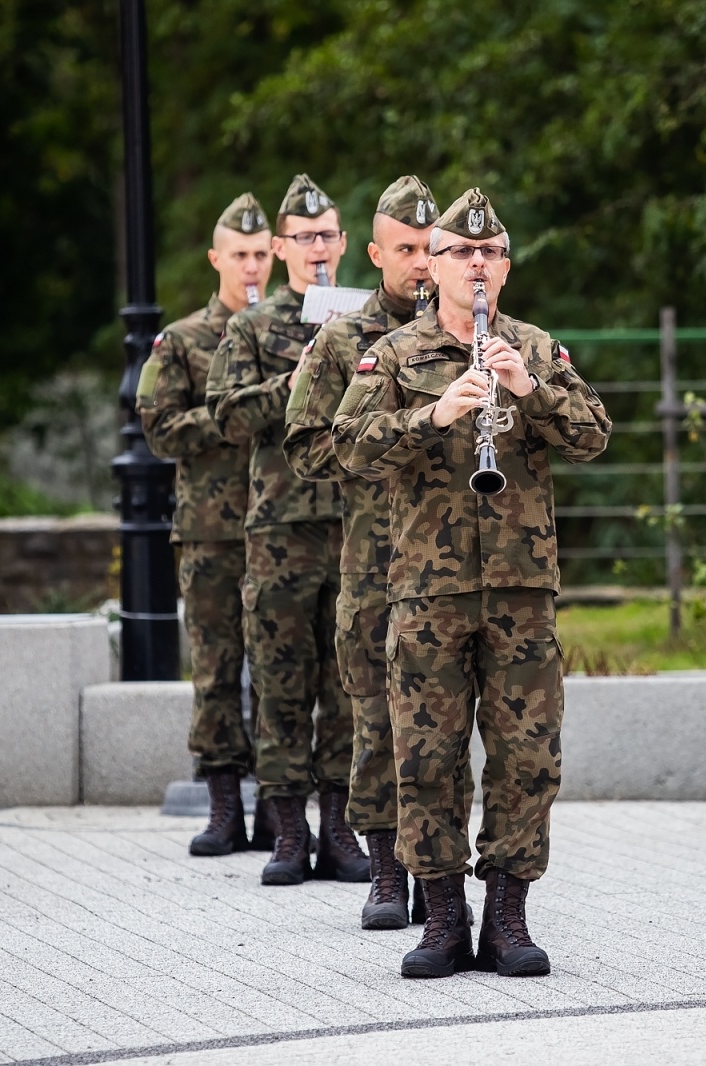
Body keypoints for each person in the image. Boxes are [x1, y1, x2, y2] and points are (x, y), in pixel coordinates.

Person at [332, 188, 611, 978]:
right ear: (433, 268)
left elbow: (593, 434)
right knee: (426, 756)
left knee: (528, 756)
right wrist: (430, 418)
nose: (477, 265)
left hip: (524, 588)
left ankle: (509, 921)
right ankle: (444, 922)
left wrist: (530, 389)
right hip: (426, 591)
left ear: (507, 266)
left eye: (490, 254)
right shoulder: (393, 356)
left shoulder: (533, 345)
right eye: (460, 253)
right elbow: (346, 449)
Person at [283, 175, 444, 928]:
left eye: (428, 248)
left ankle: (443, 879)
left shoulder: (474, 332)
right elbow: (306, 445)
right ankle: (385, 873)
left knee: (444, 731)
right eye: (405, 249)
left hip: (454, 568)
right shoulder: (346, 339)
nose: (419, 262)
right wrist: (388, 443)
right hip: (376, 566)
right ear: (375, 253)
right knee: (376, 721)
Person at [204, 175, 367, 886]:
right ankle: (289, 834)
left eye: (328, 235)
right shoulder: (251, 327)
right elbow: (227, 415)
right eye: (304, 238)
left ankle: (340, 829)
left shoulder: (364, 318)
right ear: (279, 248)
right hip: (280, 530)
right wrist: (296, 377)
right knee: (279, 684)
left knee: (349, 686)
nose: (318, 249)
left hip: (354, 525)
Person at [137, 192, 271, 857]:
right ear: (216, 258)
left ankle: (281, 805)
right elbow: (158, 427)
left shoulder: (290, 335)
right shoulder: (185, 340)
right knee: (218, 669)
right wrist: (233, 415)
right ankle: (224, 806)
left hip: (281, 527)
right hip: (212, 531)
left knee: (284, 672)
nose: (251, 267)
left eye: (260, 255)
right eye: (239, 255)